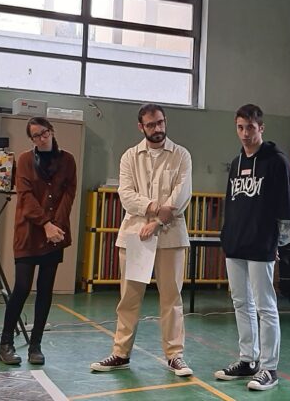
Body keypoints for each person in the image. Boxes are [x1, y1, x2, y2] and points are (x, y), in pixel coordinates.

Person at [90, 104, 194, 377]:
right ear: (141, 127)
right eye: (151, 125)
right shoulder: (129, 157)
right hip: (136, 236)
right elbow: (126, 194)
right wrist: (154, 208)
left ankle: (175, 356)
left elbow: (181, 195)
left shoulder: (181, 155)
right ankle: (121, 353)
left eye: (160, 122)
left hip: (171, 236)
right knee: (129, 297)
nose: (157, 128)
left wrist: (158, 221)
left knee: (171, 298)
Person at [215, 104, 290, 391]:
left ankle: (269, 367)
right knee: (241, 302)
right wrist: (227, 236)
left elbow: (288, 203)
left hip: (261, 242)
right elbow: (231, 203)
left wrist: (280, 239)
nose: (245, 133)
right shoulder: (236, 162)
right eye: (240, 127)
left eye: (250, 127)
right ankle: (247, 359)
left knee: (265, 305)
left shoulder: (276, 161)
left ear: (261, 128)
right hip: (236, 242)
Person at [0, 117, 78, 366]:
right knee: (22, 287)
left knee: (45, 290)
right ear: (31, 139)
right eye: (36, 136)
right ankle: (5, 344)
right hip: (29, 233)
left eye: (44, 133)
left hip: (55, 235)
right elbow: (25, 196)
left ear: (52, 131)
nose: (42, 138)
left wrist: (57, 225)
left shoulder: (68, 160)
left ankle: (36, 346)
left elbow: (69, 194)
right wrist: (45, 224)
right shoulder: (24, 160)